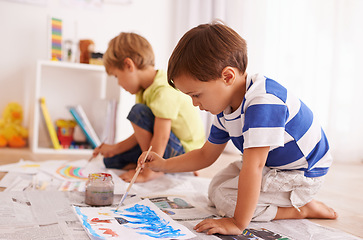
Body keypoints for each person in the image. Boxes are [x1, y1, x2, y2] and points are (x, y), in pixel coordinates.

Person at [138, 22, 337, 235]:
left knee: (228, 202)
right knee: (216, 188)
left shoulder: (263, 102)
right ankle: (287, 203)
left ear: (228, 77)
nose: (195, 104)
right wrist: (164, 164)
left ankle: (301, 208)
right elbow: (206, 155)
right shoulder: (226, 107)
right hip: (273, 165)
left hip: (300, 174)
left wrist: (237, 223)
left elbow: (254, 166)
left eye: (196, 95)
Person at [93, 32, 205, 183]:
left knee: (137, 112)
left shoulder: (163, 89)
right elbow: (143, 132)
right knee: (111, 161)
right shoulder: (143, 91)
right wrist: (114, 149)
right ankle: (162, 168)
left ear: (128, 65)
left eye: (116, 76)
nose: (118, 83)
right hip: (164, 145)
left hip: (184, 150)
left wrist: (146, 172)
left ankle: (156, 169)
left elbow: (161, 135)